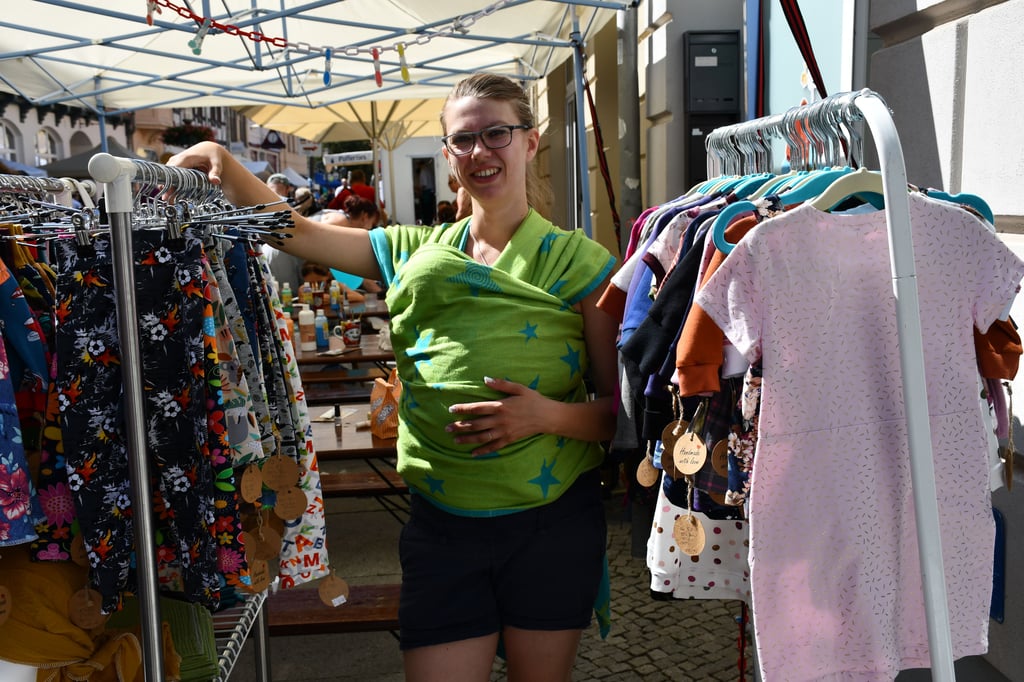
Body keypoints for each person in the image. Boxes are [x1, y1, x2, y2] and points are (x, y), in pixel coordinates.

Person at [168, 72, 618, 682]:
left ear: (530, 142)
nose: (480, 151)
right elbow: (298, 233)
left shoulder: (584, 264)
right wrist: (223, 160)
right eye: (463, 140)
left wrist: (547, 416)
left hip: (552, 523)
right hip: (442, 524)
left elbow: (618, 415)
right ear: (448, 155)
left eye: (497, 134)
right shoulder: (410, 250)